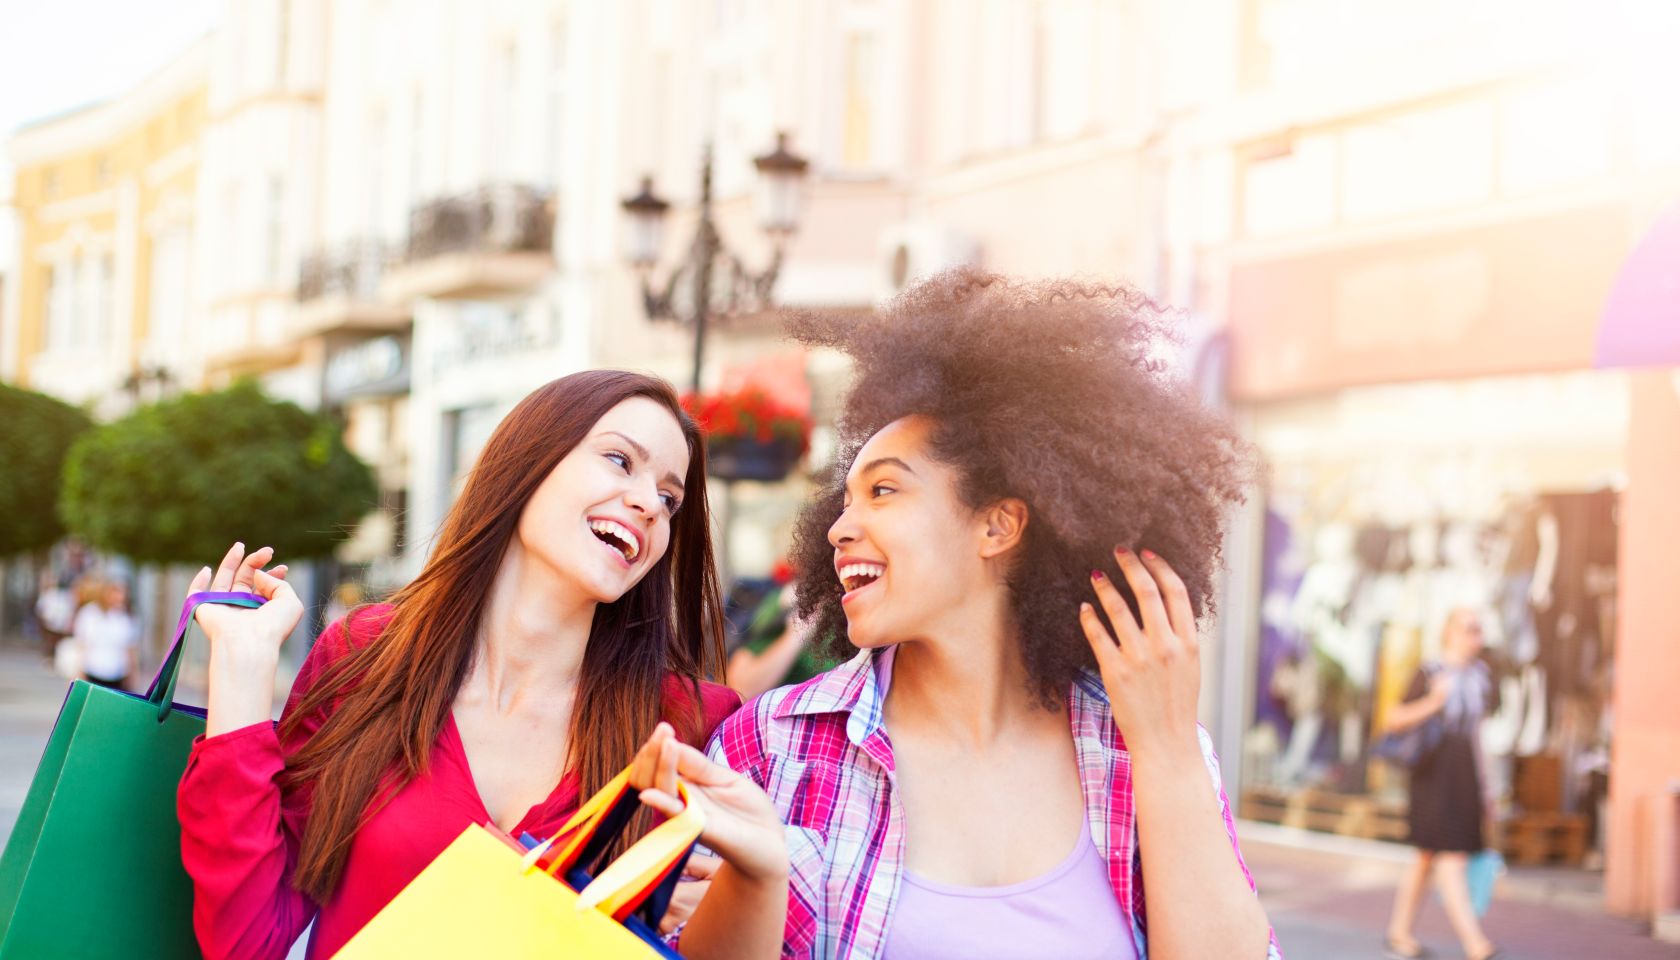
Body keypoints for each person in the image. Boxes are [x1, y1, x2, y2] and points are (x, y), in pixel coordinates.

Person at [680, 270, 1281, 958]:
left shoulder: (1139, 748)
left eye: (882, 491)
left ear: (998, 526)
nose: (840, 529)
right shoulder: (770, 748)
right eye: (843, 501)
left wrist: (1168, 751)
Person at [175, 370, 787, 960]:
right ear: (529, 462)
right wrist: (242, 666)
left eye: (669, 497)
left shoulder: (686, 723)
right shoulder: (367, 658)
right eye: (619, 461)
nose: (649, 504)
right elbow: (246, 943)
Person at [1384, 608, 1503, 960]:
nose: (1475, 638)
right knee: (1449, 857)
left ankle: (1399, 931)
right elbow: (1394, 719)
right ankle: (1475, 943)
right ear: (1449, 632)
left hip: (1464, 773)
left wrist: (1487, 789)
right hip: (1432, 773)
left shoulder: (1483, 677)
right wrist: (1433, 702)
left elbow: (1480, 737)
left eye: (1479, 630)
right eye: (1468, 629)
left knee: (1425, 856)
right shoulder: (1430, 672)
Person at [72, 577, 139, 690]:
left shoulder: (126, 617)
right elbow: (81, 645)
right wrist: (77, 673)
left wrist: (133, 675)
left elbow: (131, 649)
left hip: (118, 675)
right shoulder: (90, 613)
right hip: (92, 672)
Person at [34, 572, 76, 662]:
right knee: (51, 640)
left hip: (61, 624)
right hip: (50, 623)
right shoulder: (48, 594)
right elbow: (41, 609)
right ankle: (50, 656)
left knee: (59, 642)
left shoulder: (66, 595)